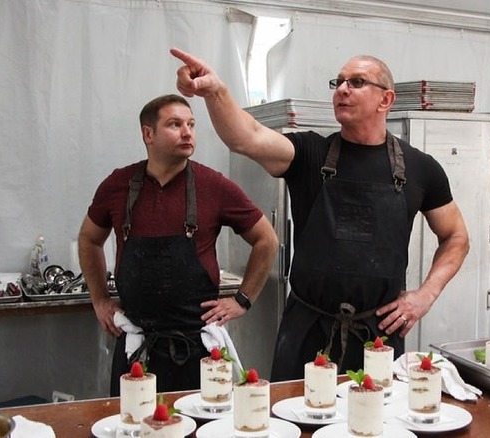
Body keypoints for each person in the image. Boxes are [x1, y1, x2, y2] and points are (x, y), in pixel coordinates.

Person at [169, 48, 470, 381]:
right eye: (338, 82)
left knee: (371, 427)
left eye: (356, 82)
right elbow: (246, 138)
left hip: (378, 336)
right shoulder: (311, 154)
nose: (342, 89)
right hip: (306, 332)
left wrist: (425, 295)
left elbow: (456, 236)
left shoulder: (420, 168)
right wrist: (215, 92)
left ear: (386, 100)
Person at [78, 94, 278, 395]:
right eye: (175, 124)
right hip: (138, 348)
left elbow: (267, 239)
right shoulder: (117, 186)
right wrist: (99, 299)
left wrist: (242, 300)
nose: (187, 132)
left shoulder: (214, 186)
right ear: (149, 134)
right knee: (136, 426)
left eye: (191, 124)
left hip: (199, 350)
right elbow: (89, 239)